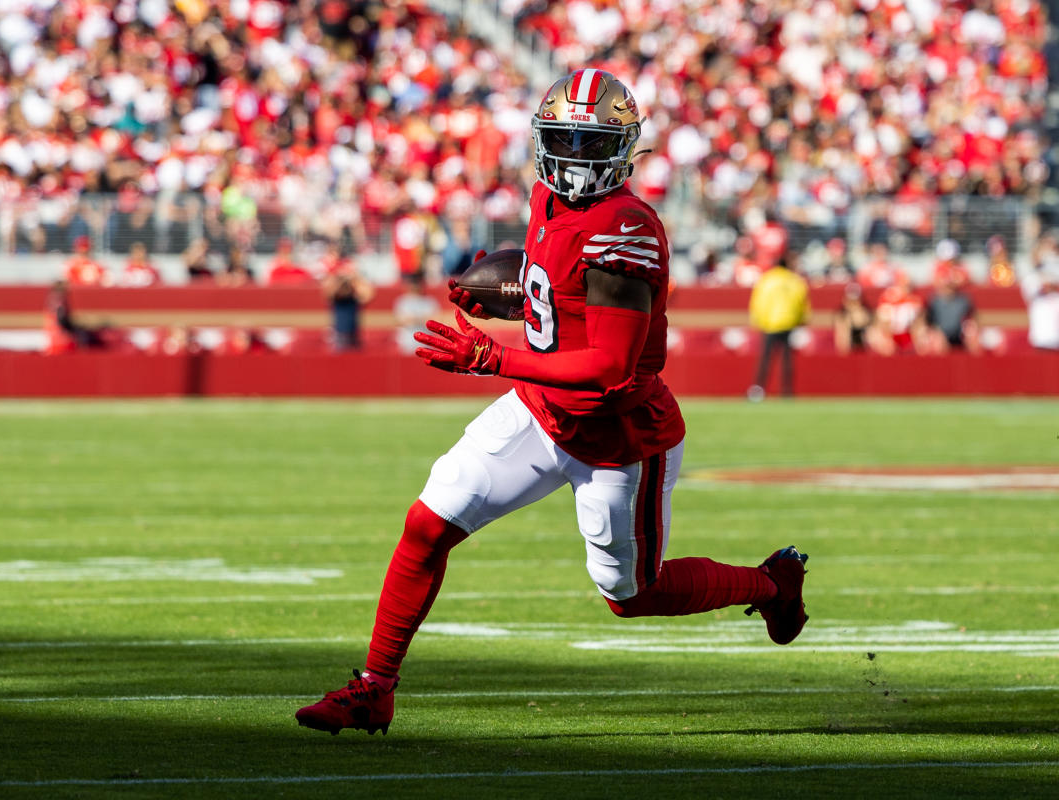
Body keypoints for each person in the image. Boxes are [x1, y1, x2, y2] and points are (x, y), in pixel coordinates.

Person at [295, 70, 810, 737]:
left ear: (624, 149)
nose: (573, 156)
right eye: (563, 138)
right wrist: (507, 290)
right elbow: (550, 279)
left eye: (590, 143)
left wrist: (493, 356)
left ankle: (770, 584)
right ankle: (374, 687)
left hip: (617, 435)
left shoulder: (625, 227)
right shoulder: (546, 198)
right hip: (541, 410)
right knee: (427, 523)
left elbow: (609, 366)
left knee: (631, 595)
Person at [746, 252, 810, 400]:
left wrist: (759, 321)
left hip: (770, 324)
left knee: (765, 360)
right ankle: (787, 391)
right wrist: (801, 319)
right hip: (789, 324)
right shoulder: (795, 280)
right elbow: (803, 302)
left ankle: (758, 390)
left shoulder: (766, 279)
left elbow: (758, 302)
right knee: (787, 361)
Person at [320, 244, 373, 350]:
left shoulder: (350, 274)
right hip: (339, 331)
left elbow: (366, 295)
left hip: (353, 330)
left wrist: (352, 279)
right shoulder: (333, 276)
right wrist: (341, 279)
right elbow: (330, 292)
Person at [922, 264, 980, 355]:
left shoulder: (963, 300)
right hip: (940, 334)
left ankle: (975, 365)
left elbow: (972, 319)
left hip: (959, 334)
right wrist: (936, 332)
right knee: (938, 340)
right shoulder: (933, 301)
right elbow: (928, 323)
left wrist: (970, 330)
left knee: (972, 335)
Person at [392, 272, 440, 355]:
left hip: (426, 343)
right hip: (407, 343)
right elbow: (401, 320)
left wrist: (414, 319)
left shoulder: (430, 301)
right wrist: (422, 319)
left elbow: (435, 321)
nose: (415, 286)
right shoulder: (402, 301)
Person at [834, 282, 873, 354]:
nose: (853, 305)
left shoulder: (867, 314)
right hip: (848, 351)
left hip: (865, 349)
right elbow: (841, 344)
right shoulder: (841, 316)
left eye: (855, 302)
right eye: (851, 301)